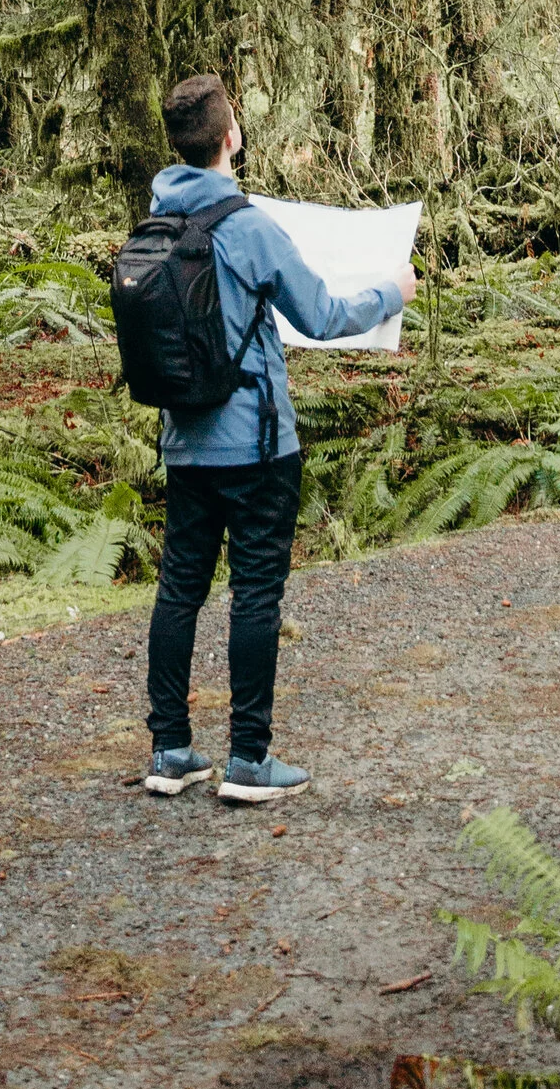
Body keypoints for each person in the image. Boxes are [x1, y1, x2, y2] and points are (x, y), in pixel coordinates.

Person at [142, 72, 415, 804]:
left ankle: (170, 750)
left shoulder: (156, 220)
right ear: (231, 137)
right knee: (255, 594)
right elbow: (322, 316)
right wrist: (393, 291)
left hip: (184, 444)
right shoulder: (251, 226)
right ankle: (249, 761)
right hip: (259, 447)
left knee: (179, 592)